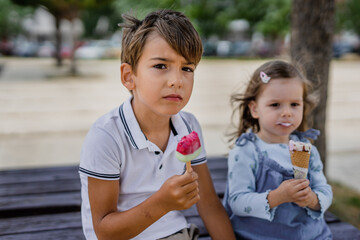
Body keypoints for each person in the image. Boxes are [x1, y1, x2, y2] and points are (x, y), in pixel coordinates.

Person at [79, 9, 235, 240]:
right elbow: (104, 231)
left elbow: (209, 205)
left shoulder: (188, 127)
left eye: (187, 69)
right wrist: (162, 203)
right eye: (161, 66)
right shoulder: (107, 136)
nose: (176, 81)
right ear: (129, 76)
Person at [223, 60, 333, 239]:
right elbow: (237, 201)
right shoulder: (246, 151)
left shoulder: (308, 151)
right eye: (275, 105)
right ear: (255, 109)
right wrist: (277, 196)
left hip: (310, 235)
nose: (287, 112)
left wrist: (312, 199)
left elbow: (325, 190)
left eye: (294, 104)